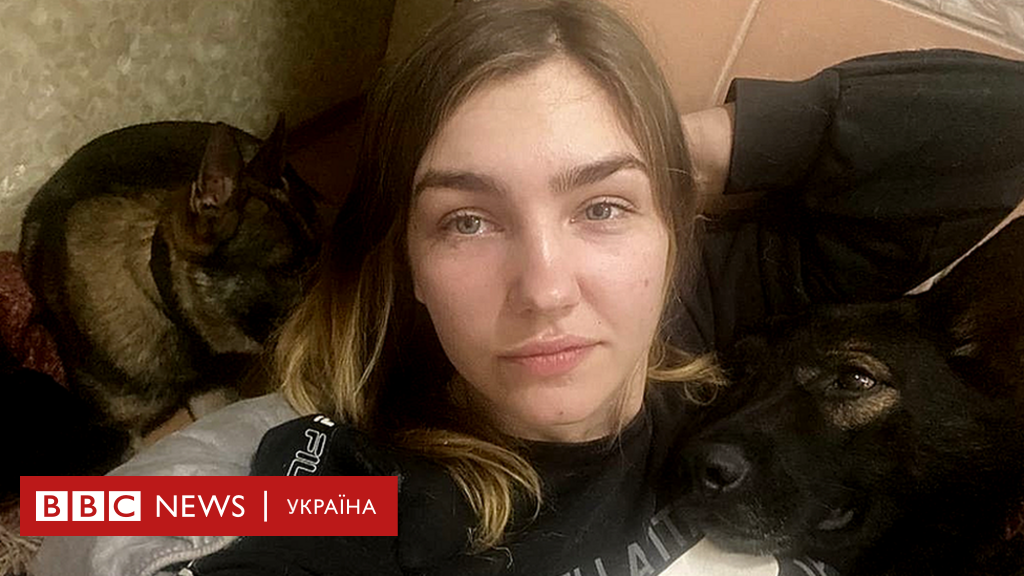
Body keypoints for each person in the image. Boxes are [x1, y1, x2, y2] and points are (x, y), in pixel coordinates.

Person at [30, 1, 1024, 575]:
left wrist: (697, 145)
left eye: (603, 207)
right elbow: (78, 522)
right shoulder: (367, 487)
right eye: (467, 219)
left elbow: (1001, 125)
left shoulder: (721, 330)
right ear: (407, 266)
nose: (547, 288)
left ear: (674, 232)